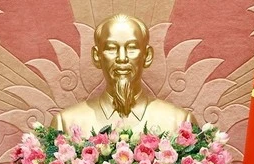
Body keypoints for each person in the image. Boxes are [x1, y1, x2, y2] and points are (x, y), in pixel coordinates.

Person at [51, 14, 195, 135]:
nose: (121, 58)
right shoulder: (65, 124)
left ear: (147, 55)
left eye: (132, 48)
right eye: (111, 48)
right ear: (96, 56)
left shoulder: (181, 122)